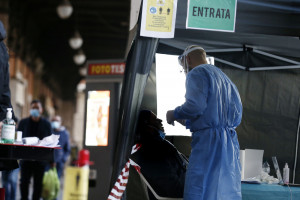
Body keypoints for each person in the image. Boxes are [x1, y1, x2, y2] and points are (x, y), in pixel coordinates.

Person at [166, 45, 243, 200]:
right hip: (229, 144)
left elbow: (195, 107)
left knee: (200, 188)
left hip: (208, 144)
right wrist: (188, 121)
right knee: (223, 190)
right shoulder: (225, 78)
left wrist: (174, 114)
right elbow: (233, 114)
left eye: (184, 68)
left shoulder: (196, 73)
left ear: (187, 59)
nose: (185, 71)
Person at [128, 110, 188, 200]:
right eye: (155, 120)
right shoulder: (151, 152)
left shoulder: (161, 145)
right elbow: (175, 189)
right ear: (147, 127)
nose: (160, 121)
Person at [17, 99, 52, 200]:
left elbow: (50, 142)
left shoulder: (47, 124)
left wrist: (51, 161)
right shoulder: (23, 123)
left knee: (38, 184)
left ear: (41, 110)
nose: (35, 110)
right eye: (33, 108)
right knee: (24, 182)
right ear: (30, 109)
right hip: (26, 159)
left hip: (40, 160)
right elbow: (18, 138)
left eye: (37, 108)